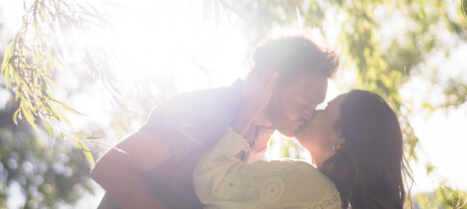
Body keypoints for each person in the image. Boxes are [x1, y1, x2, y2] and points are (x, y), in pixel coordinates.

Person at [90, 33, 339, 209]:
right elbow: (111, 168)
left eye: (316, 107)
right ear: (271, 77)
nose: (310, 114)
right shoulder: (206, 112)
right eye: (305, 103)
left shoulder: (262, 134)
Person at [193, 88, 410, 209]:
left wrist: (250, 109)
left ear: (340, 135)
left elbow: (212, 179)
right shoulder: (329, 200)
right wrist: (268, 128)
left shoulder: (308, 184)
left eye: (326, 108)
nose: (312, 111)